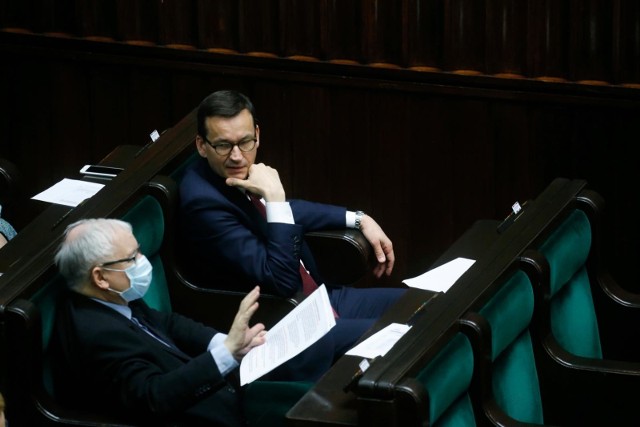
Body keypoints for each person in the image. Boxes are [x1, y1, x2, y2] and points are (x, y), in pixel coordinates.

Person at [177, 89, 407, 381]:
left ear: (257, 135)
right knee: (404, 334)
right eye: (223, 145)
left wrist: (359, 218)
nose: (236, 155)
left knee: (423, 306)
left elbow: (288, 211)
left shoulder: (228, 171)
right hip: (291, 325)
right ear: (201, 145)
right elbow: (282, 281)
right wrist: (274, 198)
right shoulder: (203, 205)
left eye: (245, 142)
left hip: (322, 299)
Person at [50, 218, 266, 427]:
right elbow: (154, 396)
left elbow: (167, 323)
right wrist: (227, 353)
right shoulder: (97, 335)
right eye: (132, 257)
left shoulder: (114, 296)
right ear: (100, 278)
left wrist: (225, 341)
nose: (142, 261)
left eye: (139, 250)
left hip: (221, 401)